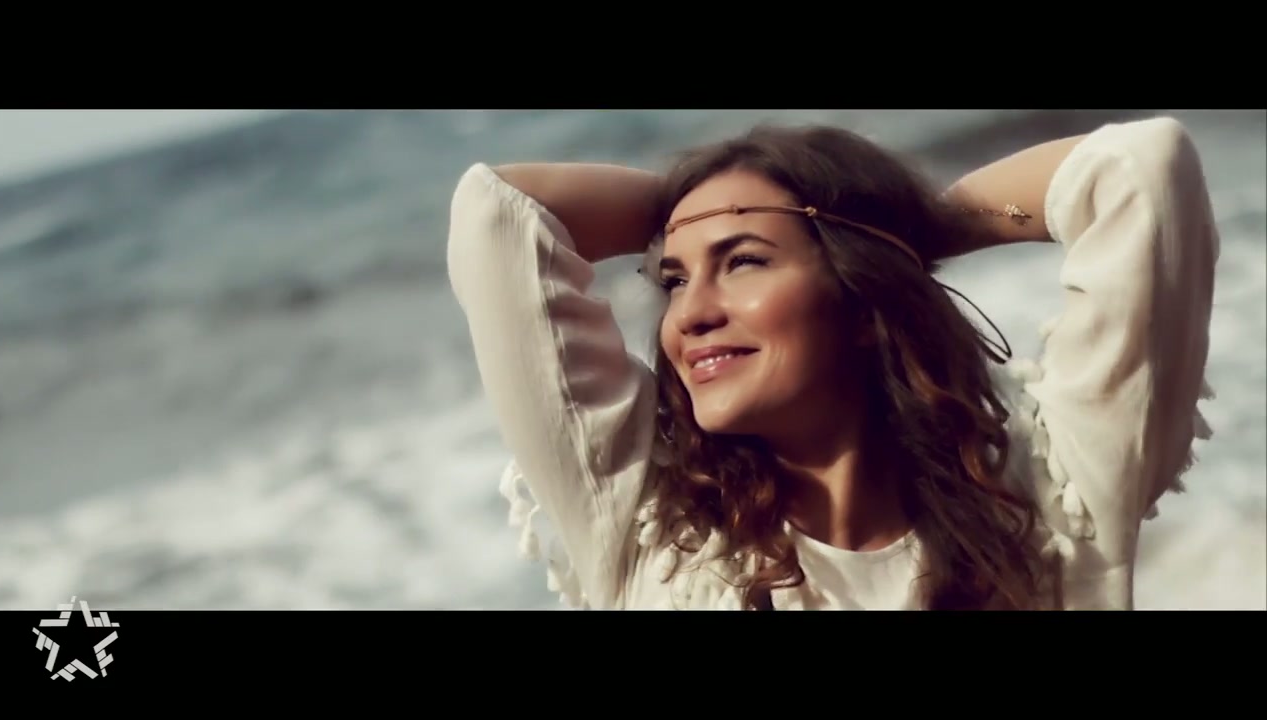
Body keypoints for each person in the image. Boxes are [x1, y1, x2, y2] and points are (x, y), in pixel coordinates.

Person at [446, 115, 1218, 610]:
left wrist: (905, 226)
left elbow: (1139, 171)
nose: (691, 313)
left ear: (860, 298)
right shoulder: (646, 519)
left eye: (743, 262)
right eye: (674, 279)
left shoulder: (1049, 492)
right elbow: (499, 214)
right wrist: (706, 204)